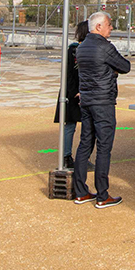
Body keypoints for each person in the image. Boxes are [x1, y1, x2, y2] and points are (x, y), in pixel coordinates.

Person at [72, 12, 131, 208]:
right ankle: (102, 194)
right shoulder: (104, 47)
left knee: (85, 143)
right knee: (104, 147)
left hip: (87, 99)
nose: (111, 28)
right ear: (98, 27)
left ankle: (81, 191)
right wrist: (112, 72)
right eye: (109, 24)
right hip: (103, 101)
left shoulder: (81, 47)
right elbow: (125, 66)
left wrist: (110, 71)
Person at [55, 20, 88, 169]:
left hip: (82, 90)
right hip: (72, 92)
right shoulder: (73, 50)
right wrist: (75, 91)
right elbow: (69, 73)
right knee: (70, 125)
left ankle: (82, 157)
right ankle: (66, 156)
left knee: (86, 126)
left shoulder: (85, 49)